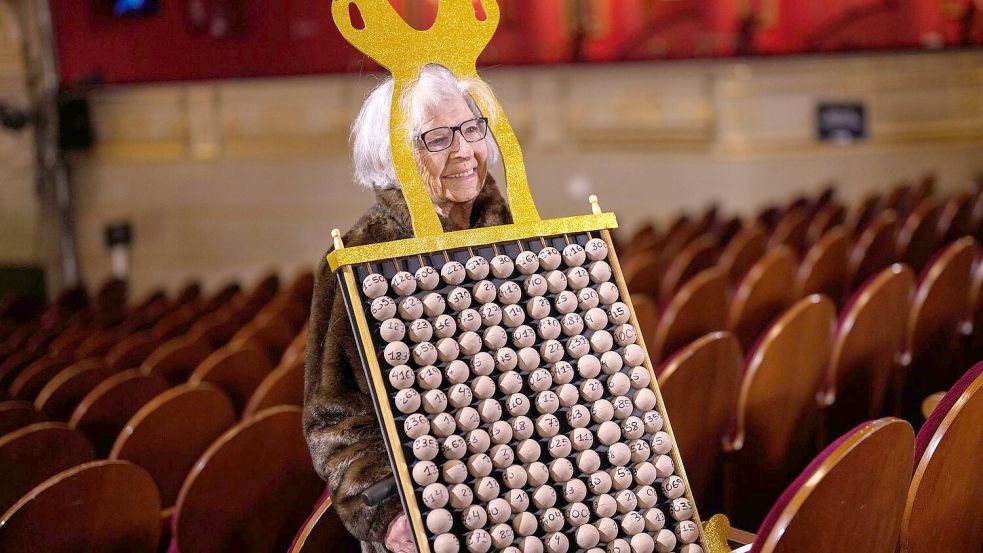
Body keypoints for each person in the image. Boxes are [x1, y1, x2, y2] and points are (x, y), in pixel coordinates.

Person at [303, 64, 513, 553]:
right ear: (394, 155)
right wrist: (387, 517)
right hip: (430, 517)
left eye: (470, 129)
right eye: (437, 139)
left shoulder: (520, 233)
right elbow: (333, 418)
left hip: (538, 493)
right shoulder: (359, 258)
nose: (463, 151)